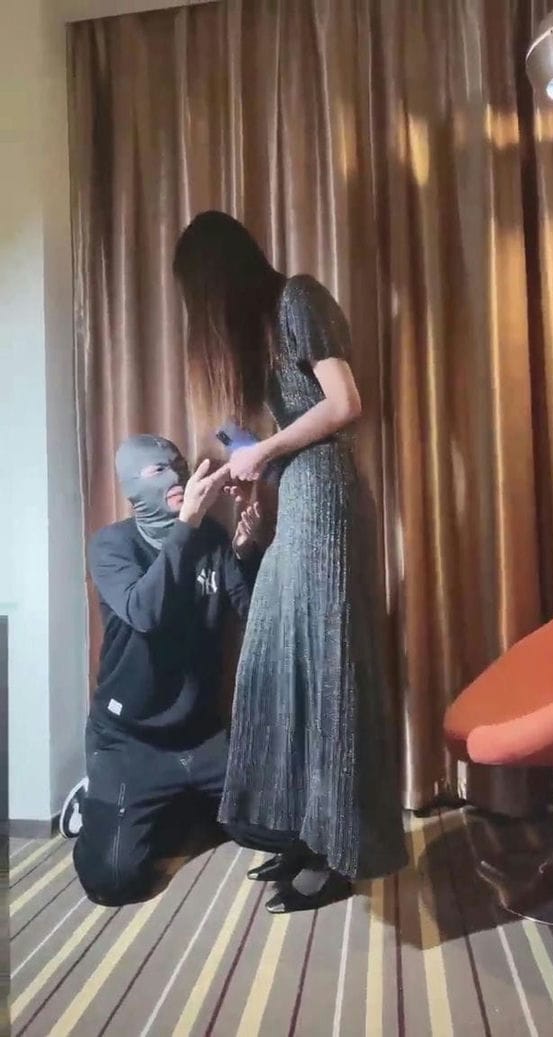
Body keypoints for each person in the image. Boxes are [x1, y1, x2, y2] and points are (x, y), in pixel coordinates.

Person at [173, 211, 408, 914]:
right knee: (277, 662)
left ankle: (342, 852)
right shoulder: (264, 325)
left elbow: (345, 403)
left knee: (328, 667)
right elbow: (298, 425)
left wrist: (266, 451)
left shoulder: (298, 297)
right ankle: (301, 831)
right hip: (300, 495)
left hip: (328, 496)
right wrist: (254, 469)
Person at [68, 433, 286, 907]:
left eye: (180, 468)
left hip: (200, 735)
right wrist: (187, 521)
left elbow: (251, 613)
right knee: (113, 880)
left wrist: (248, 550)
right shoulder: (112, 545)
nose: (177, 478)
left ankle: (178, 805)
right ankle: (97, 798)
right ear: (132, 486)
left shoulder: (210, 537)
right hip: (129, 739)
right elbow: (145, 613)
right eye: (158, 471)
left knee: (278, 831)